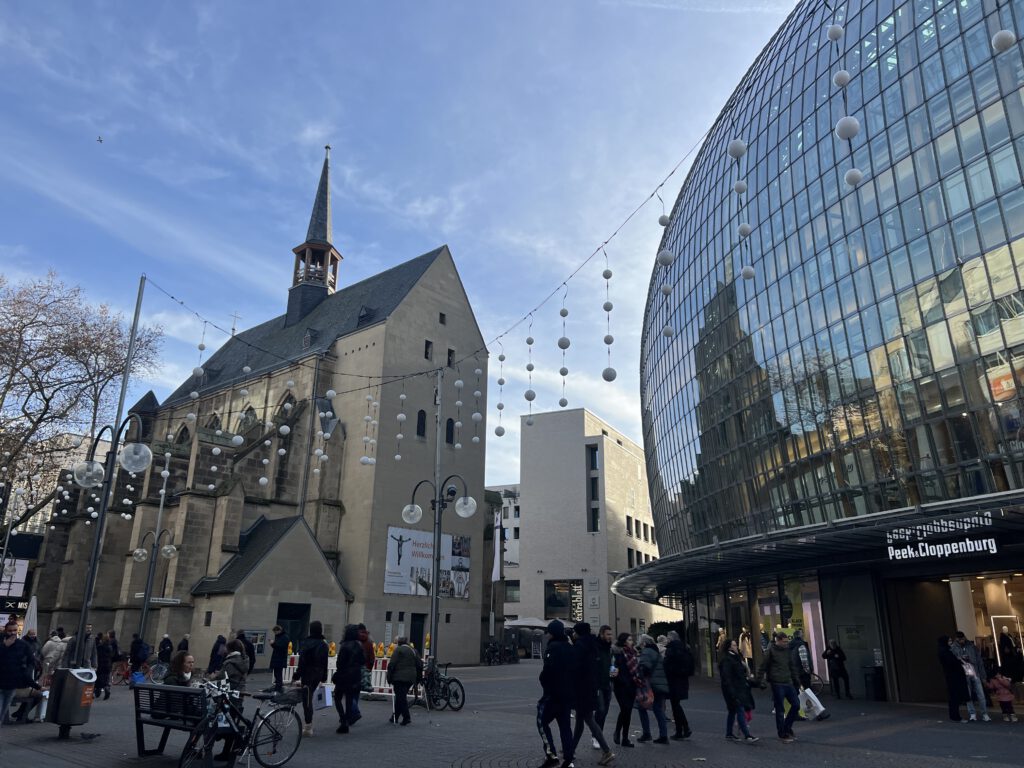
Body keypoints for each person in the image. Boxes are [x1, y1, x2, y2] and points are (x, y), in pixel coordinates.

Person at [569, 623, 613, 765]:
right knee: (580, 721)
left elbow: (574, 666)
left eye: (575, 632)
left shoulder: (580, 646)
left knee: (588, 720)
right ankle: (571, 749)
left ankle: (606, 751)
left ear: (579, 633)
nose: (573, 634)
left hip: (582, 689)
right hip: (591, 687)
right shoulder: (592, 645)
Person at [537, 619, 576, 768]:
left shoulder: (552, 648)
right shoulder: (569, 648)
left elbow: (548, 671)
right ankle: (569, 758)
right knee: (565, 726)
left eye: (548, 632)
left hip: (552, 695)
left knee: (542, 721)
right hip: (567, 695)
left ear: (552, 633)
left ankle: (551, 755)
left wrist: (543, 681)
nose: (547, 635)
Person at [758, 630, 802, 743]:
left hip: (788, 681)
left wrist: (797, 681)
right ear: (777, 641)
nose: (786, 644)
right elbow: (763, 666)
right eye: (784, 642)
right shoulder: (770, 650)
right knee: (780, 709)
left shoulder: (787, 650)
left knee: (796, 705)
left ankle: (786, 728)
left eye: (787, 641)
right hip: (777, 682)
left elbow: (792, 666)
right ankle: (782, 733)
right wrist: (760, 680)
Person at [720, 638, 759, 742]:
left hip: (736, 688)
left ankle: (729, 733)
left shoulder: (734, 658)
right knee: (740, 709)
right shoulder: (728, 660)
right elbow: (727, 677)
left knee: (733, 711)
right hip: (733, 689)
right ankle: (747, 735)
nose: (736, 647)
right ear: (729, 647)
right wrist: (732, 691)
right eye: (734, 645)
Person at [294, 621, 328, 737]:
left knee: (307, 700)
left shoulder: (306, 643)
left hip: (307, 673)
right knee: (309, 696)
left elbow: (302, 661)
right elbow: (325, 662)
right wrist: (324, 676)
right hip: (317, 673)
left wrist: (297, 674)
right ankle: (308, 725)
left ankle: (308, 725)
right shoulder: (323, 644)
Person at [636, 633, 669, 744]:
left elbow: (644, 667)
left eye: (640, 644)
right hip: (660, 683)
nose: (640, 646)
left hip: (651, 684)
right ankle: (663, 735)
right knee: (658, 709)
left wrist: (638, 674)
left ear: (644, 643)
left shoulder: (646, 652)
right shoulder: (656, 651)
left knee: (642, 707)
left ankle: (647, 733)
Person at [333, 624, 366, 734]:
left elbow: (340, 663)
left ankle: (343, 720)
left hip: (344, 675)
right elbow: (363, 660)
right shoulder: (359, 645)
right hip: (355, 675)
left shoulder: (345, 645)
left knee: (337, 697)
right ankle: (346, 720)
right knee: (349, 699)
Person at [951, 631, 991, 722]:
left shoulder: (971, 646)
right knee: (968, 695)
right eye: (959, 639)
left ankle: (984, 713)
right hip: (964, 673)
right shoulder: (953, 648)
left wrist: (983, 676)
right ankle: (972, 713)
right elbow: (953, 662)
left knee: (980, 694)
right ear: (957, 638)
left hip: (974, 671)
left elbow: (979, 661)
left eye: (962, 638)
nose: (961, 640)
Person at [1, 619, 34, 726]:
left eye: (15, 630)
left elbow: (31, 661)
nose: (12, 633)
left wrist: (26, 675)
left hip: (12, 683)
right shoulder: (1, 642)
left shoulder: (23, 645)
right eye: (10, 631)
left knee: (3, 712)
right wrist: (4, 647)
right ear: (6, 631)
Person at [663, 630, 694, 739]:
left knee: (675, 705)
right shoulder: (685, 648)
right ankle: (682, 730)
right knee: (676, 705)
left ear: (670, 639)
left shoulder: (671, 649)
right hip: (683, 680)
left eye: (667, 638)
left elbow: (667, 665)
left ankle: (683, 729)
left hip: (673, 680)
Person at [610, 632, 637, 749]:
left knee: (628, 711)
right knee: (625, 709)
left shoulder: (633, 653)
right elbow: (613, 671)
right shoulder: (617, 654)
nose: (632, 642)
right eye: (630, 640)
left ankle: (625, 737)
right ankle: (617, 732)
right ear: (624, 641)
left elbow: (636, 669)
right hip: (621, 686)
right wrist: (619, 679)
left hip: (632, 685)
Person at [385, 636, 419, 726]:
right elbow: (419, 664)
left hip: (399, 677)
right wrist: (417, 678)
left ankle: (406, 717)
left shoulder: (398, 650)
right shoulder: (413, 650)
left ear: (398, 643)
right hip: (411, 677)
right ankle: (395, 717)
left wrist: (389, 677)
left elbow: (392, 664)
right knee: (400, 696)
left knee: (401, 697)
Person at [938, 635, 970, 722]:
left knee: (953, 697)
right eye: (949, 641)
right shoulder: (945, 652)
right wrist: (959, 660)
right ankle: (955, 716)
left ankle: (955, 716)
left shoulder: (945, 651)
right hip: (953, 677)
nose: (950, 643)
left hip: (952, 677)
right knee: (954, 697)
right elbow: (952, 663)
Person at [594, 625, 614, 738]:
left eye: (611, 634)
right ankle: (596, 735)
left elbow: (612, 664)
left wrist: (613, 672)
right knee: (600, 709)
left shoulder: (609, 648)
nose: (610, 637)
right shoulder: (596, 647)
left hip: (608, 683)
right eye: (608, 634)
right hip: (598, 684)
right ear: (602, 634)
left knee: (605, 711)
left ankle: (598, 733)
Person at [269, 625, 290, 693]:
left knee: (278, 673)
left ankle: (278, 687)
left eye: (275, 632)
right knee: (277, 673)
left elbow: (280, 648)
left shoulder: (283, 637)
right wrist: (273, 644)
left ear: (278, 631)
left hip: (279, 658)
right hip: (279, 658)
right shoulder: (282, 637)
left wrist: (273, 644)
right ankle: (278, 686)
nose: (275, 633)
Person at [95, 633, 112, 700]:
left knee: (98, 678)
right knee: (106, 678)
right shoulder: (110, 647)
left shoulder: (99, 647)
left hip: (100, 664)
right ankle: (106, 688)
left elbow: (97, 655)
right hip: (107, 664)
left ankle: (98, 690)